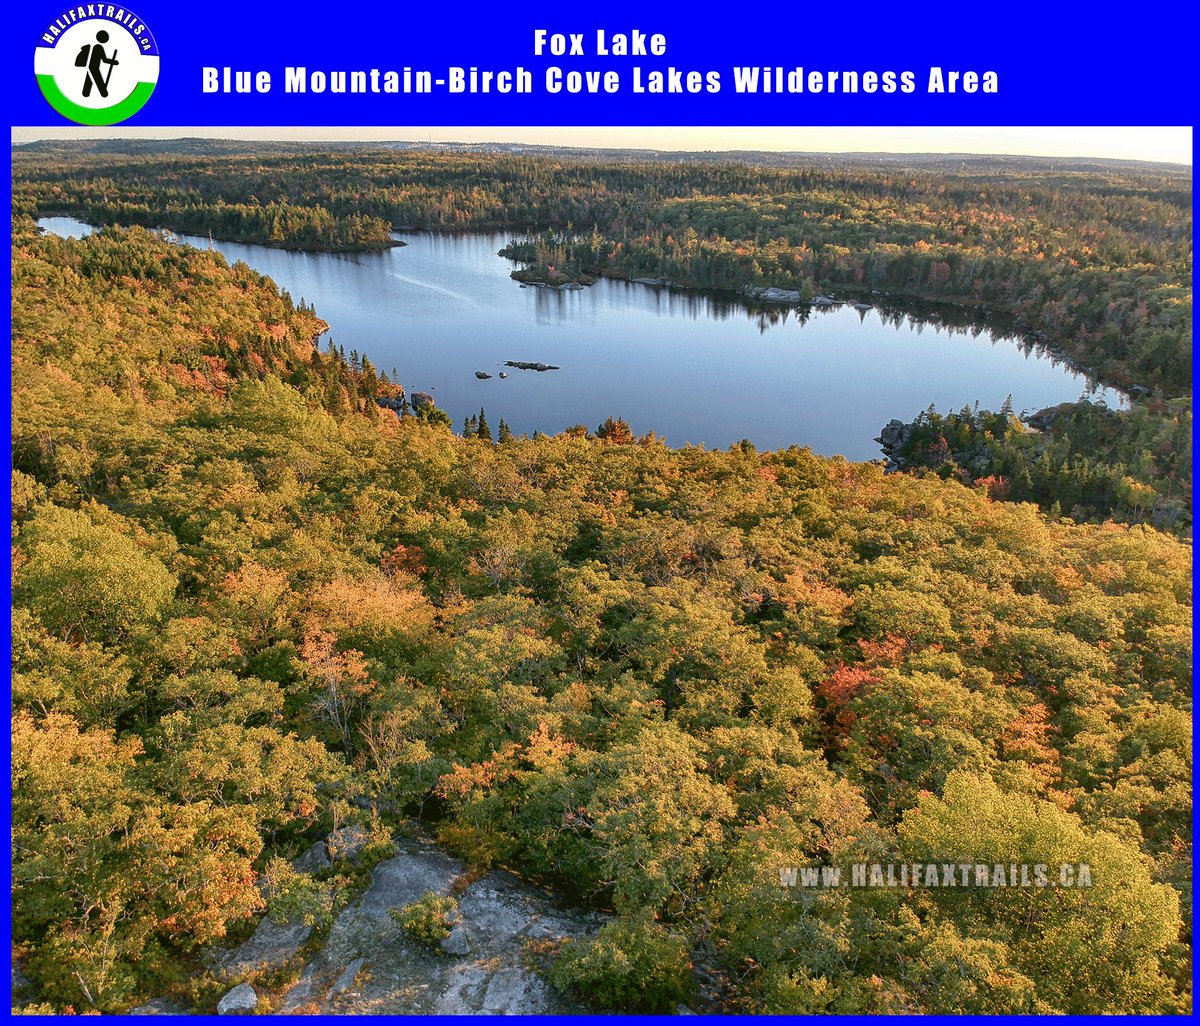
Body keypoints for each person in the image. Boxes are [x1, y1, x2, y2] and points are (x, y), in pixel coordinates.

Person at [74, 31, 119, 98]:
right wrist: (113, 62)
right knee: (99, 81)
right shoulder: (98, 47)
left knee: (89, 81)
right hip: (94, 68)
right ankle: (104, 94)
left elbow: (103, 60)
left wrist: (113, 62)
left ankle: (85, 94)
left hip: (90, 67)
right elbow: (104, 60)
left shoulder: (94, 47)